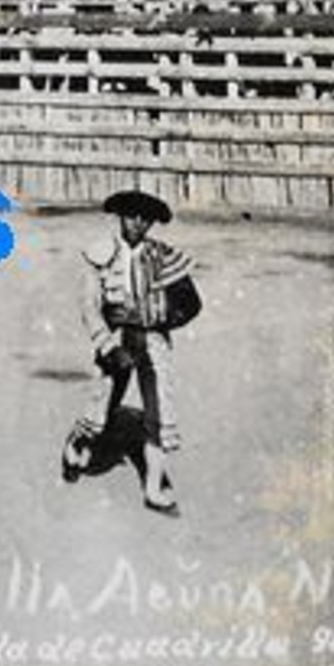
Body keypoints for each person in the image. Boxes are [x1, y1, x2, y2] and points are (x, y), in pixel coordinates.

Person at [60, 189, 202, 517]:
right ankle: (77, 446)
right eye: (131, 215)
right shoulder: (101, 253)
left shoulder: (162, 255)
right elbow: (89, 307)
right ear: (120, 216)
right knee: (100, 405)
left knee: (159, 412)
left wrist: (159, 318)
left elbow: (192, 304)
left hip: (153, 342)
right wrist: (107, 346)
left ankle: (153, 488)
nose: (137, 223)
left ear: (152, 222)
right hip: (114, 340)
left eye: (145, 218)